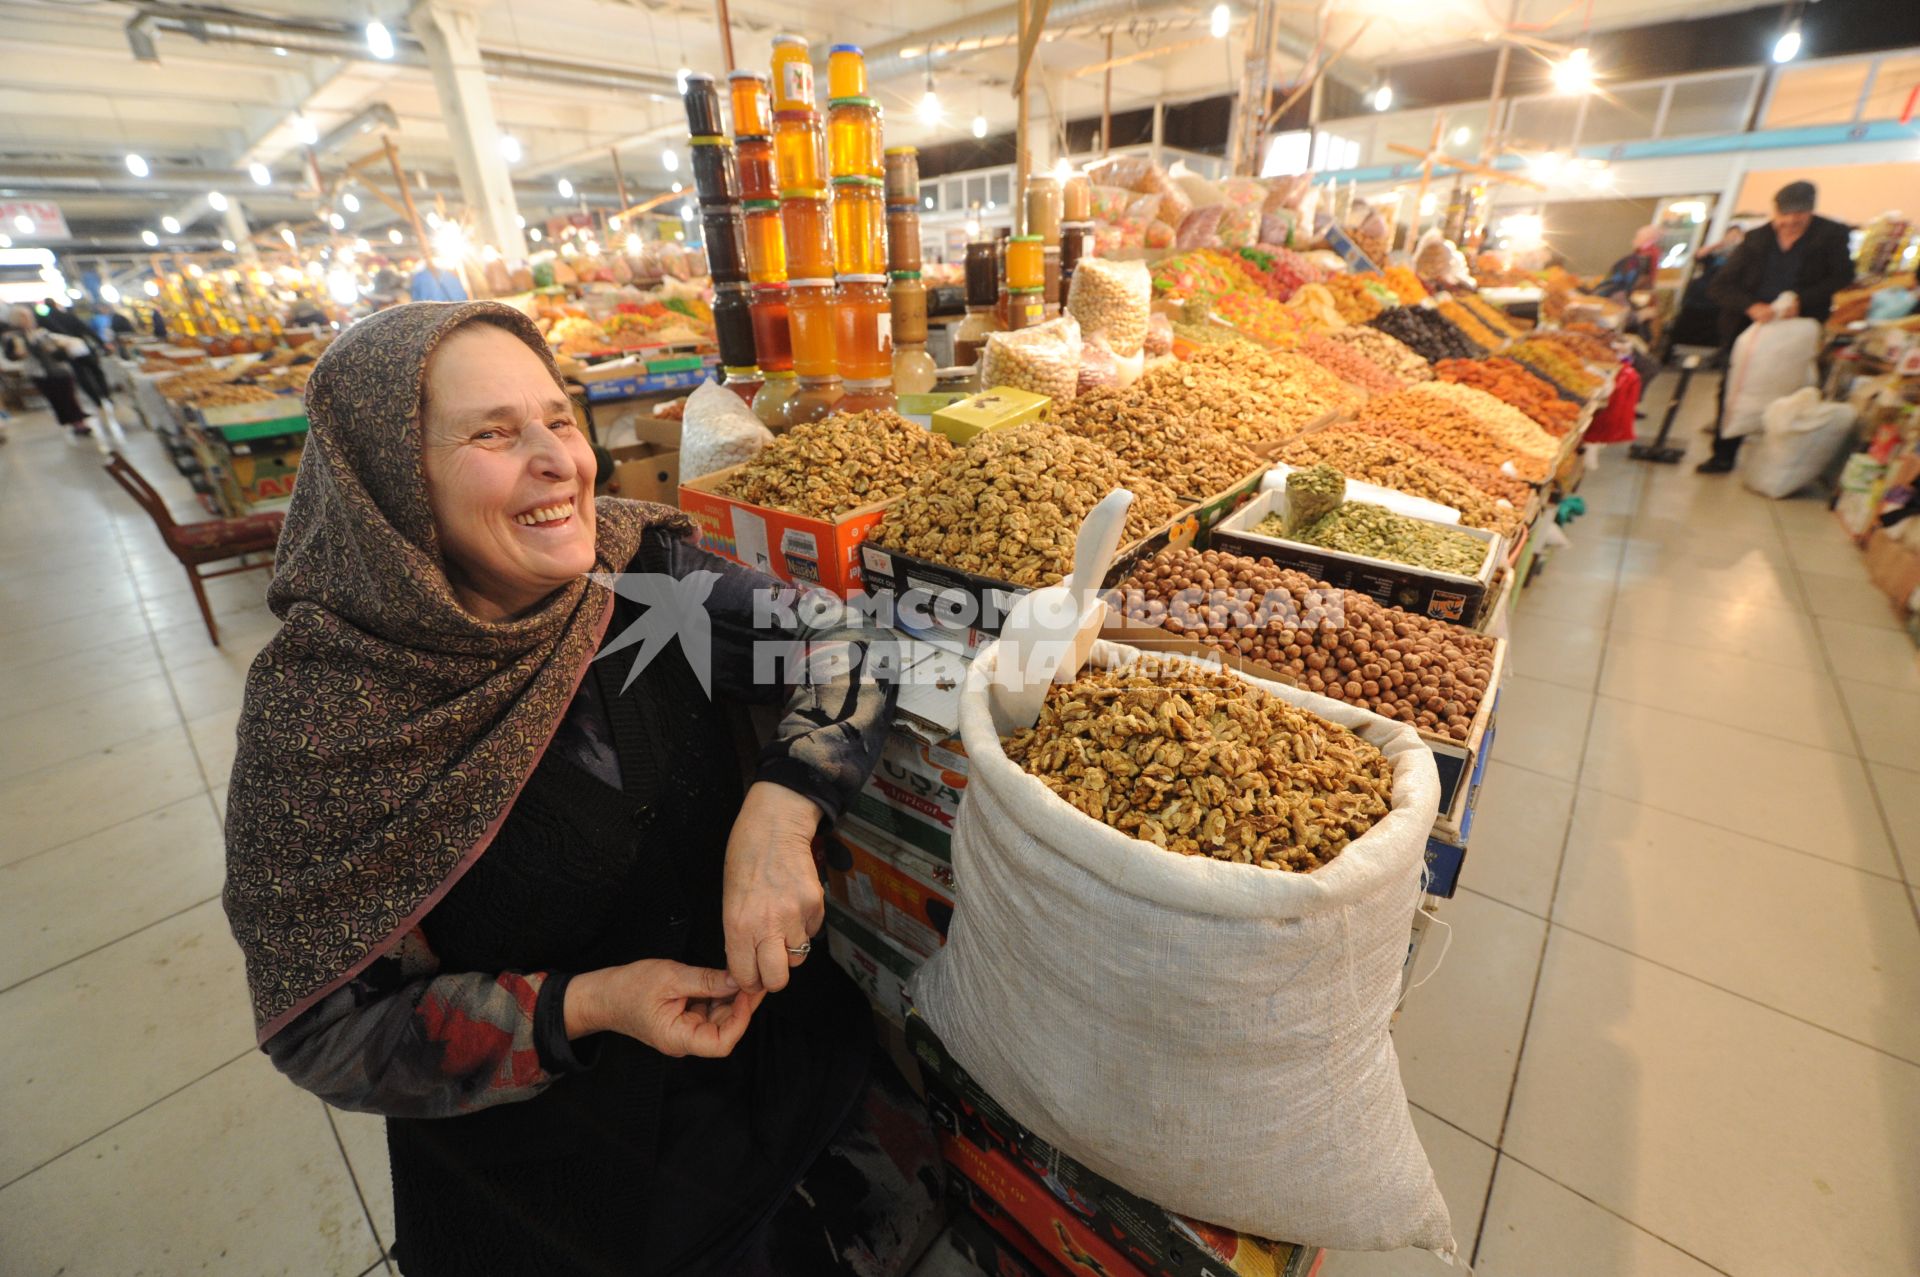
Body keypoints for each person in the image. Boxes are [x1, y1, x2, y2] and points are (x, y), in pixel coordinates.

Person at [223, 301, 936, 1276]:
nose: (559, 459)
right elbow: (329, 1029)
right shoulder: (327, 719)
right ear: (388, 485)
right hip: (566, 1195)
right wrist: (588, 1004)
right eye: (492, 433)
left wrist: (783, 806)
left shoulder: (634, 574)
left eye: (560, 418)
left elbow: (842, 638)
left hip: (769, 1087)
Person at [1698, 181, 1855, 473]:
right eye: (1785, 216)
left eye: (1800, 216)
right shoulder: (1756, 238)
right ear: (1775, 212)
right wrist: (1751, 306)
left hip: (1797, 327)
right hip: (1748, 327)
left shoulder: (1831, 235)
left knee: (1788, 387)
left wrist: (1802, 300)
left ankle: (1774, 457)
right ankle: (1723, 453)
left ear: (1811, 212)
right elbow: (1721, 286)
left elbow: (1842, 276)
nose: (1791, 223)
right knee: (1734, 386)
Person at [0, 305, 93, 439]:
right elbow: (11, 356)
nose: (27, 320)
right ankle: (73, 422)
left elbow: (61, 352)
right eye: (23, 318)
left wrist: (58, 349)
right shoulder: (13, 338)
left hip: (58, 369)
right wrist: (18, 354)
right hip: (39, 373)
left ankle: (79, 422)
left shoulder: (42, 332)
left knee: (69, 396)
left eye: (27, 317)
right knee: (56, 399)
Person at [40, 298, 119, 427]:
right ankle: (105, 394)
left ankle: (97, 399)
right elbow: (87, 330)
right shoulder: (66, 316)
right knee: (96, 371)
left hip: (69, 353)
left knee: (82, 376)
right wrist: (102, 344)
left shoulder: (47, 321)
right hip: (82, 349)